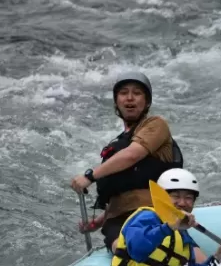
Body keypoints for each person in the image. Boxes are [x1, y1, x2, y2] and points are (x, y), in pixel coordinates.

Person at [70, 71, 183, 253]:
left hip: (152, 213)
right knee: (122, 248)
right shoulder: (115, 146)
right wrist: (97, 222)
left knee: (131, 248)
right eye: (123, 93)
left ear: (146, 102)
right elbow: (122, 193)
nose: (130, 98)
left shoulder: (156, 125)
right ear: (116, 102)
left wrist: (90, 176)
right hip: (117, 221)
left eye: (137, 93)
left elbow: (132, 155)